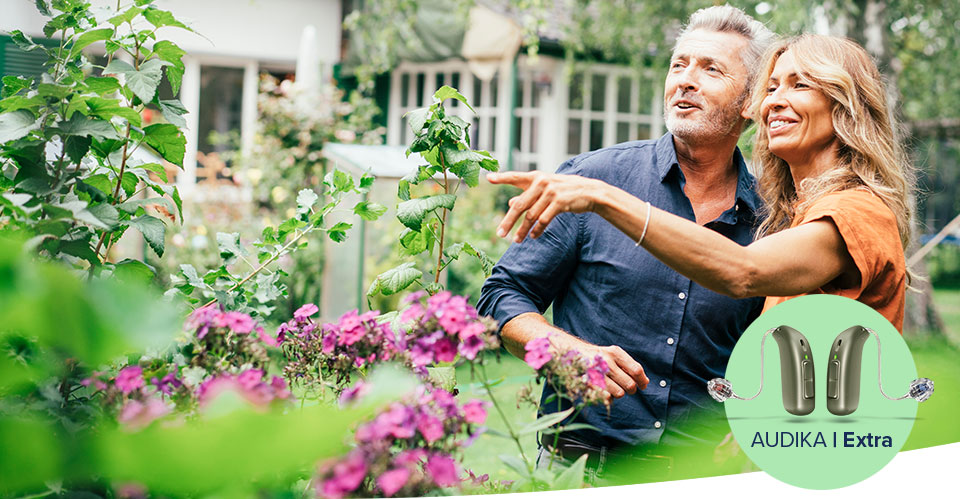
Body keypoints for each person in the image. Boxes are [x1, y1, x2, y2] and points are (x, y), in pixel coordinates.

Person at [476, 5, 776, 474]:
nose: (685, 80)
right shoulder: (592, 179)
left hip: (699, 474)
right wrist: (564, 351)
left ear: (751, 101)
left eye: (710, 69)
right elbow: (502, 297)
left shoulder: (771, 219)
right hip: (577, 472)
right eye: (679, 64)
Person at [489, 34, 911, 333]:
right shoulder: (790, 217)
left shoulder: (858, 211)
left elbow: (743, 271)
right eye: (772, 87)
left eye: (800, 84)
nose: (775, 100)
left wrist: (603, 198)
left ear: (847, 107)